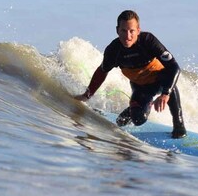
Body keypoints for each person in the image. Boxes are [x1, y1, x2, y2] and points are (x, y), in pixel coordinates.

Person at [75, 10, 187, 139]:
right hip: (140, 88)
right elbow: (102, 71)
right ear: (117, 30)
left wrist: (165, 93)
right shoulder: (114, 50)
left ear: (138, 30)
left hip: (162, 82)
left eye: (131, 31)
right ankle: (135, 109)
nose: (127, 36)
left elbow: (174, 66)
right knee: (136, 120)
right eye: (123, 31)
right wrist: (87, 95)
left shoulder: (148, 41)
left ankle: (179, 125)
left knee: (168, 80)